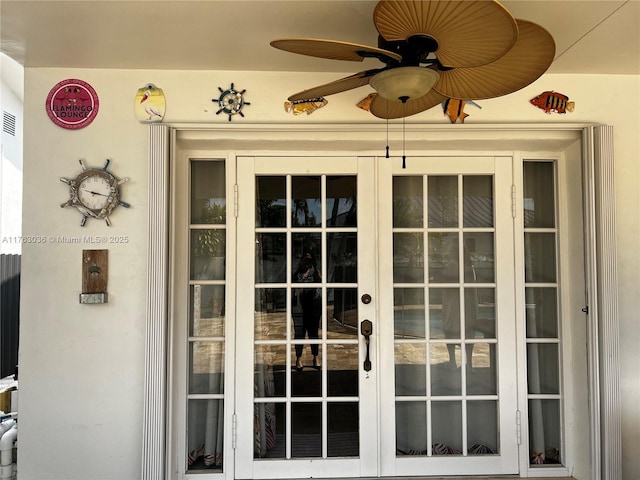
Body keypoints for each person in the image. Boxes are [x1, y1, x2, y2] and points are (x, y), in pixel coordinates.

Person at [292, 252, 322, 371]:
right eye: (305, 260)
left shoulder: (316, 273)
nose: (307, 263)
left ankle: (315, 356)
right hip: (299, 307)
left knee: (313, 332)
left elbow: (320, 289)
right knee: (299, 333)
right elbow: (294, 289)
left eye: (309, 260)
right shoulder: (296, 274)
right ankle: (298, 358)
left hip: (313, 306)